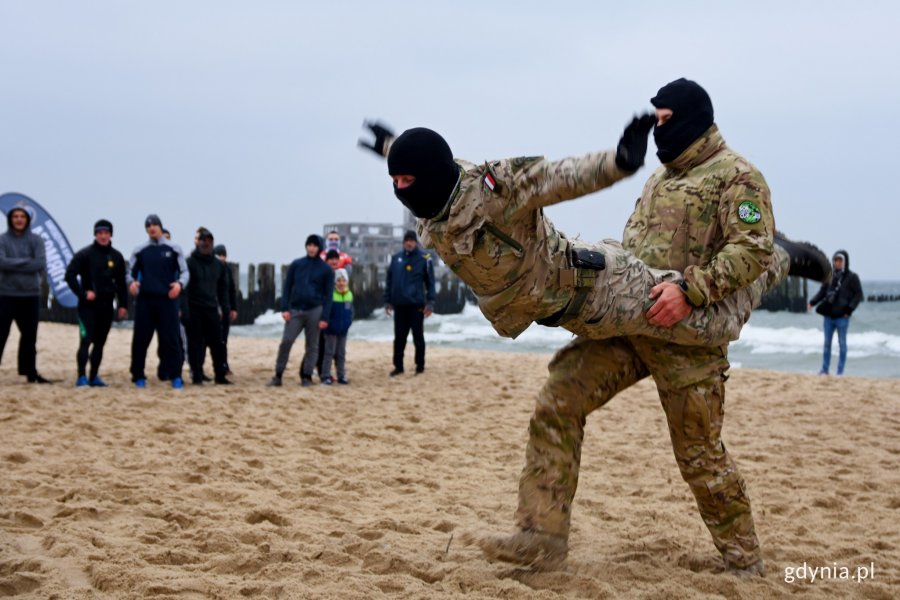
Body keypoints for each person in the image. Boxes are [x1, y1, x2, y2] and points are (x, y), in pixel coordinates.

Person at [359, 82, 828, 575]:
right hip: (623, 322)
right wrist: (398, 150)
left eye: (664, 119)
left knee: (698, 453)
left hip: (684, 327)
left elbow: (746, 250)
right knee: (559, 401)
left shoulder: (737, 177)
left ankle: (744, 559)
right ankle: (540, 537)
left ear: (692, 117)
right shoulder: (663, 179)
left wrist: (691, 291)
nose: (656, 129)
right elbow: (448, 178)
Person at [358, 117, 824, 351]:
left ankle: (781, 256)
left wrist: (619, 161)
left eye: (407, 181)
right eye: (394, 182)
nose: (401, 190)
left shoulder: (496, 189)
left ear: (434, 175)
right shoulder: (431, 206)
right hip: (564, 313)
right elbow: (424, 164)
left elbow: (561, 176)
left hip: (602, 289)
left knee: (714, 326)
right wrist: (389, 146)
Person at [127, 214, 189, 389]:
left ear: (160, 227)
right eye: (148, 226)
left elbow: (185, 272)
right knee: (141, 339)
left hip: (167, 300)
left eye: (154, 225)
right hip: (145, 300)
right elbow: (129, 272)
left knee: (171, 340)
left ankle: (176, 375)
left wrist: (179, 285)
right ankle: (138, 375)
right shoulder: (140, 250)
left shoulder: (174, 248)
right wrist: (131, 283)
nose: (151, 228)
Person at [64, 219, 128, 386]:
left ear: (110, 235)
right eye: (99, 233)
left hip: (107, 306)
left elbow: (121, 283)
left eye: (106, 233)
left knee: (100, 343)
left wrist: (123, 305)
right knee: (86, 341)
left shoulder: (116, 256)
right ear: (95, 234)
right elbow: (69, 275)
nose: (103, 236)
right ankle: (81, 377)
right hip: (88, 307)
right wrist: (83, 293)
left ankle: (94, 376)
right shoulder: (85, 254)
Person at [266, 234, 333, 387]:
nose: (312, 248)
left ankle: (307, 376)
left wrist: (325, 317)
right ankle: (278, 375)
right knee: (286, 341)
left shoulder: (326, 270)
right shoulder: (297, 264)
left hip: (315, 310)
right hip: (295, 310)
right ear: (306, 246)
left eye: (315, 246)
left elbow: (329, 296)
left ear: (320, 248)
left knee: (312, 346)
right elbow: (287, 287)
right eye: (309, 245)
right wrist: (284, 308)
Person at [0, 205, 50, 383]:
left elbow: (39, 264)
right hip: (6, 294)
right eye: (15, 216)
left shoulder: (36, 240)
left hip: (30, 295)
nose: (19, 219)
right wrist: (26, 262)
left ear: (27, 220)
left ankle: (30, 373)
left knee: (30, 336)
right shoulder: (3, 240)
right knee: (1, 334)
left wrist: (13, 263)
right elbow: (1, 263)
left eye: (22, 216)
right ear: (10, 219)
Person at [384, 230, 436, 376]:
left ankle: (420, 366)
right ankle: (398, 367)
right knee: (399, 337)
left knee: (418, 337)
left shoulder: (425, 258)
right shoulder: (395, 259)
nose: (409, 243)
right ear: (403, 242)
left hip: (417, 305)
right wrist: (387, 301)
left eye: (412, 240)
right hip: (399, 305)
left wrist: (430, 303)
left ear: (416, 242)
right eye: (407, 240)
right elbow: (389, 281)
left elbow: (431, 283)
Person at [184, 228, 232, 385]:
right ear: (198, 243)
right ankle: (196, 375)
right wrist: (184, 311)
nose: (207, 244)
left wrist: (226, 309)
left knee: (217, 344)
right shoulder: (189, 263)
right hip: (194, 308)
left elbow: (223, 290)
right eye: (203, 240)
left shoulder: (219, 265)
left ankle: (220, 375)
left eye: (209, 241)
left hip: (212, 309)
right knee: (196, 344)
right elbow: (184, 290)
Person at [808, 250, 863, 376]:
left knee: (842, 345)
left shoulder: (852, 277)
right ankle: (825, 369)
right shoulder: (829, 276)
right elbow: (822, 292)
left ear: (844, 262)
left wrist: (849, 309)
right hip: (828, 316)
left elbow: (858, 295)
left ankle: (840, 372)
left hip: (842, 317)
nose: (838, 263)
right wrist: (812, 302)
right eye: (836, 260)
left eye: (840, 260)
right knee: (827, 344)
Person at [321, 268, 353, 385]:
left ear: (347, 282)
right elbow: (326, 312)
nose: (341, 283)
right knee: (329, 353)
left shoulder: (349, 294)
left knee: (341, 353)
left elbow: (350, 312)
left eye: (343, 280)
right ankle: (325, 375)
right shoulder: (331, 295)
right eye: (338, 280)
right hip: (331, 329)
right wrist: (327, 324)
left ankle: (341, 375)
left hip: (343, 330)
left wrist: (349, 323)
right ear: (335, 282)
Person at [213, 244, 238, 375]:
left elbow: (232, 290)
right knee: (211, 340)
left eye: (224, 255)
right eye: (219, 255)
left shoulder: (227, 270)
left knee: (224, 340)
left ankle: (224, 365)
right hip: (213, 309)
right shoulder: (212, 268)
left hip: (226, 309)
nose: (222, 257)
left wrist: (234, 308)